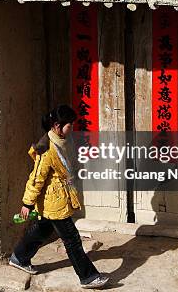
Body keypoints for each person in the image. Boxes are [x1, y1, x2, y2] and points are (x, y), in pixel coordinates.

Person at [9, 105, 109, 289]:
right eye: (69, 124)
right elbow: (36, 178)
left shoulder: (63, 140)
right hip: (54, 201)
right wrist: (27, 203)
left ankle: (19, 257)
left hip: (57, 198)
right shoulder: (46, 148)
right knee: (72, 240)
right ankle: (88, 277)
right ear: (57, 125)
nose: (72, 127)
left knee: (42, 230)